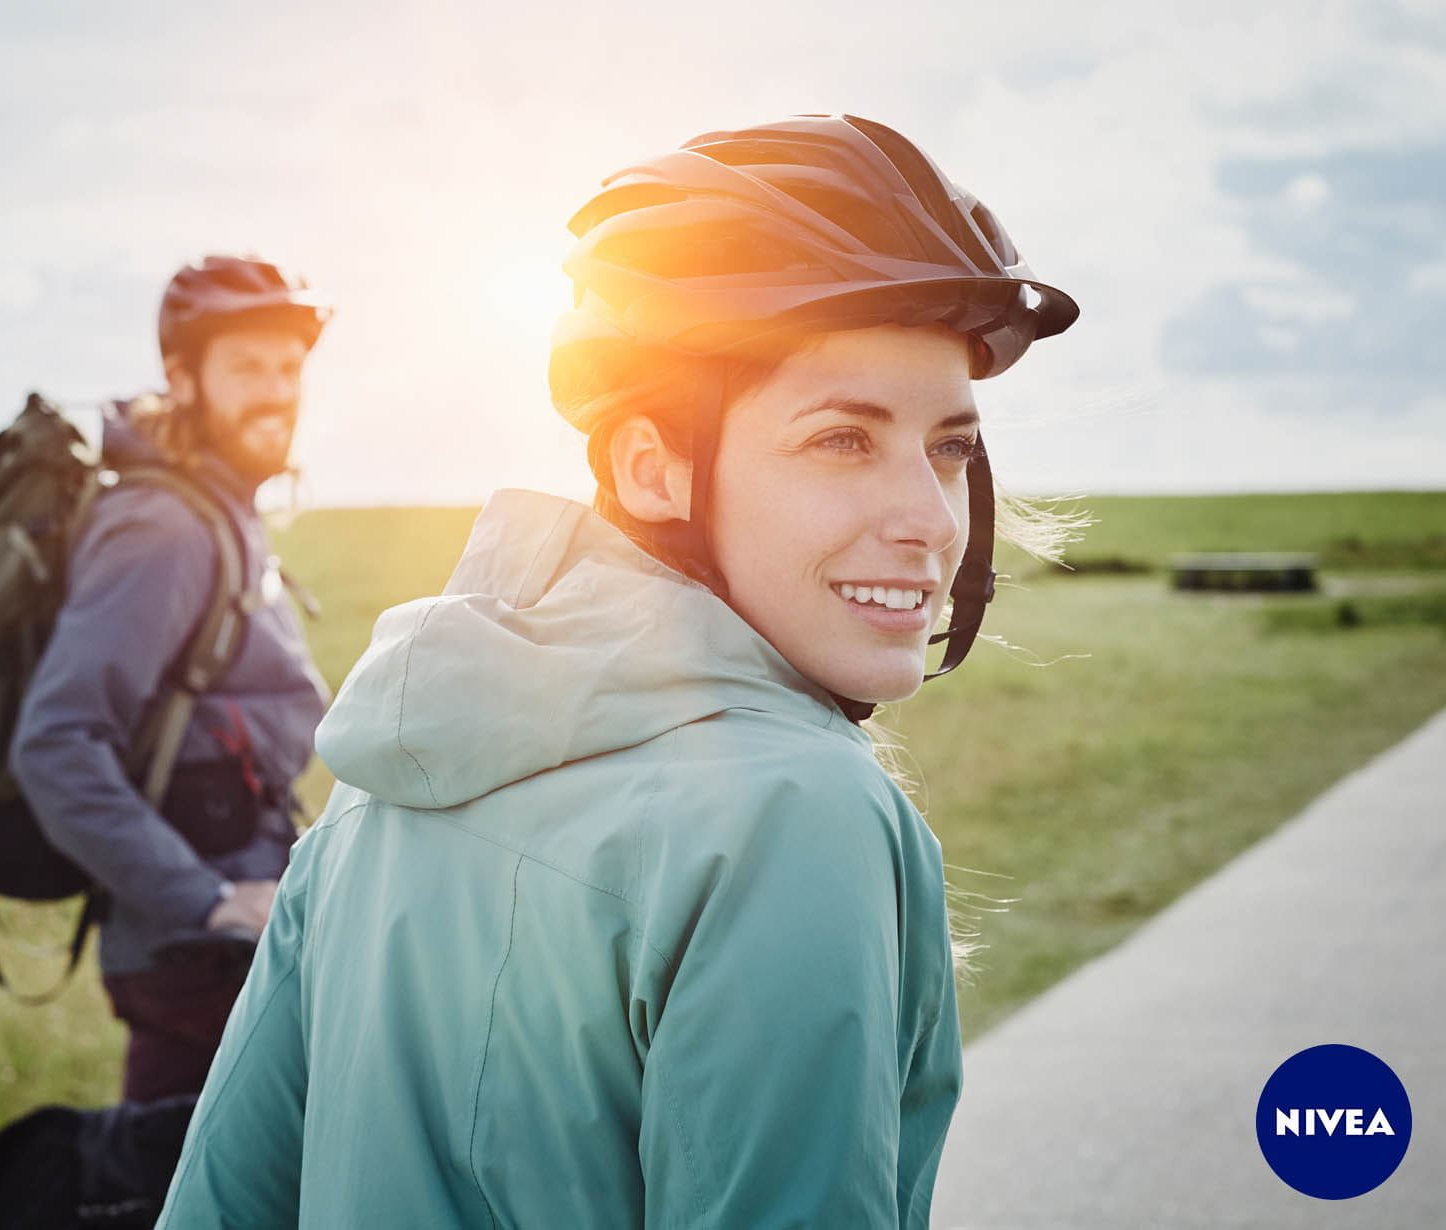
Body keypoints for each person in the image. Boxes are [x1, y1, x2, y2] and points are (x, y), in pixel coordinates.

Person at [160, 114, 1079, 1227]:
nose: (927, 520)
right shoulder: (793, 811)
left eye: (948, 448)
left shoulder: (391, 769)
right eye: (842, 439)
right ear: (653, 468)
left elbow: (218, 1205)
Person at [0, 255, 335, 1229]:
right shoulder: (162, 526)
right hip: (195, 957)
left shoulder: (216, 508)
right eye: (248, 368)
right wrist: (207, 902)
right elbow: (57, 744)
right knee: (197, 1197)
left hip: (220, 950)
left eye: (289, 369)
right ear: (186, 377)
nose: (276, 394)